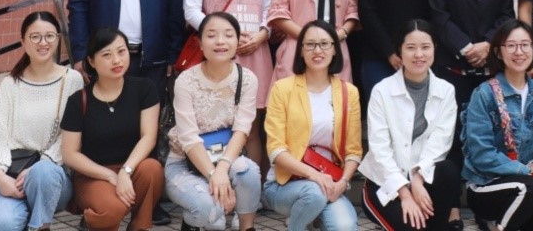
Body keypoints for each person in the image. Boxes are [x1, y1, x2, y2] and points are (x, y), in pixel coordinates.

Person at [184, 0, 273, 166]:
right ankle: (216, 178)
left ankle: (254, 185)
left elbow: (270, 7)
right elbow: (190, 10)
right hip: (219, 54)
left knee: (252, 129)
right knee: (218, 125)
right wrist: (221, 35)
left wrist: (262, 34)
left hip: (255, 52)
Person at [462, 20, 533, 231]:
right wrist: (527, 173)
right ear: (498, 52)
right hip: (488, 185)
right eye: (511, 45)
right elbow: (481, 153)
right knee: (530, 188)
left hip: (532, 186)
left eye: (525, 45)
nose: (519, 51)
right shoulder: (484, 94)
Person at [0, 11, 83, 231]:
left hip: (52, 177)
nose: (43, 43)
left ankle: (40, 226)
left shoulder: (72, 80)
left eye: (49, 36)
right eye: (35, 37)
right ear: (23, 41)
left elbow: (72, 135)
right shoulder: (11, 84)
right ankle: (31, 214)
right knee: (0, 223)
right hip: (13, 174)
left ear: (58, 39)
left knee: (42, 173)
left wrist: (40, 166)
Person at [360, 21, 462, 231]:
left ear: (434, 48)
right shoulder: (382, 91)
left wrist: (417, 179)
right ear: (400, 50)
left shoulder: (446, 90)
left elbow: (440, 143)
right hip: (385, 183)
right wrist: (404, 193)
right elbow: (379, 149)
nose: (418, 54)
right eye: (411, 47)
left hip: (422, 180)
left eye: (425, 47)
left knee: (448, 171)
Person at [262, 20, 363, 231]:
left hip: (330, 182)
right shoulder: (282, 89)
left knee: (345, 227)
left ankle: (312, 215)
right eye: (310, 44)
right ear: (301, 51)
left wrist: (343, 183)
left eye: (324, 44)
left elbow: (353, 151)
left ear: (335, 49)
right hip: (285, 184)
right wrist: (315, 176)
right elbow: (276, 150)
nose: (317, 50)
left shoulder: (349, 92)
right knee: (313, 195)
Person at [61, 27, 165, 231]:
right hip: (93, 175)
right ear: (91, 61)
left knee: (152, 169)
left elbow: (149, 137)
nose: (117, 60)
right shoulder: (78, 100)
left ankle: (140, 227)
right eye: (107, 55)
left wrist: (126, 171)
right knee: (112, 208)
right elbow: (69, 154)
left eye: (121, 51)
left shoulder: (144, 89)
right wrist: (109, 175)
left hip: (132, 168)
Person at [164, 12, 261, 231]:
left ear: (237, 41)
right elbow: (188, 138)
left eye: (228, 35)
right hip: (185, 162)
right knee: (209, 212)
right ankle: (192, 220)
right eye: (211, 35)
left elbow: (242, 130)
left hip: (226, 157)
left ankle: (246, 227)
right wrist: (212, 174)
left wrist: (222, 169)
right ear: (200, 43)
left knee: (248, 171)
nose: (220, 41)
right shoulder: (185, 81)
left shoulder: (247, 79)